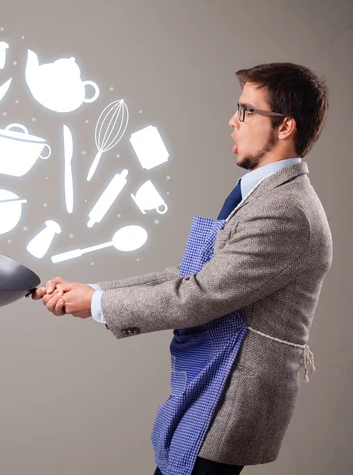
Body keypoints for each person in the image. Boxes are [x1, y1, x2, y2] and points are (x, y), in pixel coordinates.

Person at [32, 62, 333, 475]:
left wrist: (99, 304)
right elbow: (193, 274)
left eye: (246, 111)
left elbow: (199, 295)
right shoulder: (266, 196)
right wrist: (94, 291)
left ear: (285, 127)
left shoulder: (285, 211)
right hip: (211, 383)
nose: (233, 121)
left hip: (229, 393)